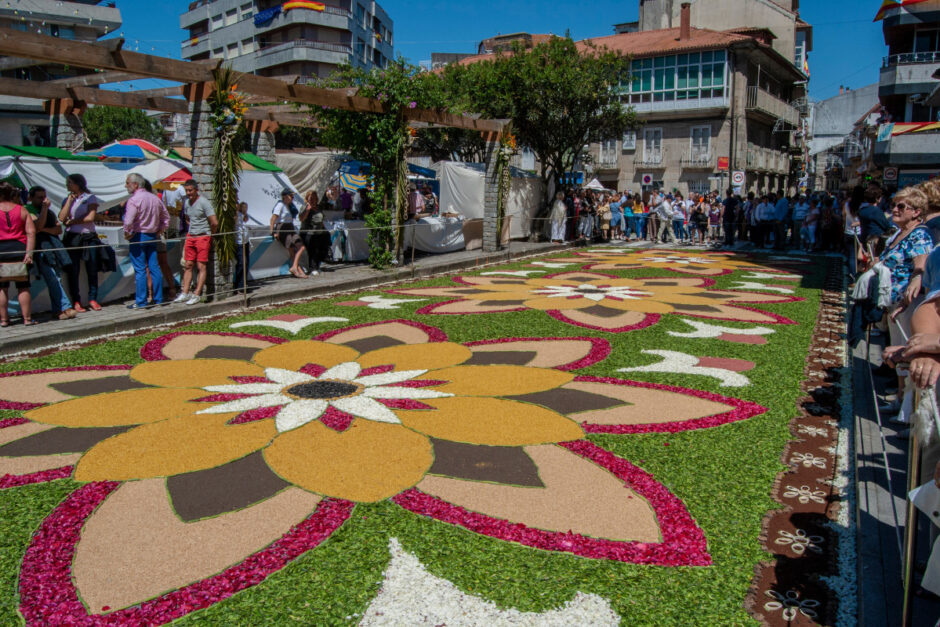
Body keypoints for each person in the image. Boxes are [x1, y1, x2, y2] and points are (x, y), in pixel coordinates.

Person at [25, 186, 74, 320]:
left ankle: (58, 309)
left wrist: (45, 229)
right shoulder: (28, 210)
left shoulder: (49, 212)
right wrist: (45, 211)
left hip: (53, 247)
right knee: (53, 277)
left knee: (56, 277)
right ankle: (64, 306)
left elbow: (58, 230)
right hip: (40, 248)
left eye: (44, 197)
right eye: (39, 197)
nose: (43, 200)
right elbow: (37, 227)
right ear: (31, 198)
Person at [123, 173, 169, 309]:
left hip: (138, 235)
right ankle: (159, 298)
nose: (126, 186)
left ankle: (141, 301)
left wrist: (127, 233)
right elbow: (166, 217)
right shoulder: (154, 198)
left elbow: (128, 220)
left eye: (127, 183)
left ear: (135, 184)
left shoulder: (134, 200)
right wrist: (160, 229)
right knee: (154, 267)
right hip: (152, 235)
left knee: (140, 270)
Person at [58, 173, 100, 312]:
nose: (67, 185)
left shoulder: (89, 198)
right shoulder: (67, 199)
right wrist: (69, 202)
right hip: (73, 237)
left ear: (78, 183)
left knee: (92, 268)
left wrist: (74, 221)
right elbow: (62, 218)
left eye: (70, 182)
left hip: (88, 236)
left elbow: (90, 217)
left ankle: (93, 298)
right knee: (73, 270)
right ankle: (76, 300)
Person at [174, 180, 218, 305]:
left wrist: (211, 235)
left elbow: (214, 221)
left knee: (201, 266)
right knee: (187, 265)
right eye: (186, 190)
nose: (188, 193)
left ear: (196, 190)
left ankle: (197, 293)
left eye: (190, 190)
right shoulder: (187, 203)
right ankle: (185, 292)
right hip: (191, 236)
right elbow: (188, 218)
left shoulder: (204, 202)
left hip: (202, 236)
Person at [0, 182, 36, 326]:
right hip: (20, 249)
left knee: (2, 287)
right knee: (23, 286)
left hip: (1, 249)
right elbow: (31, 232)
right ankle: (27, 319)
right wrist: (30, 253)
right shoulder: (22, 210)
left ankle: (4, 320)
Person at [270, 189, 306, 279]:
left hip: (290, 228)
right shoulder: (280, 205)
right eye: (291, 196)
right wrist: (273, 232)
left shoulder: (289, 206)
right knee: (295, 248)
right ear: (285, 196)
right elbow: (273, 219)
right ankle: (297, 269)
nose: (292, 198)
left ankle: (296, 268)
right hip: (283, 228)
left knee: (298, 247)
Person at [299, 190, 331, 275]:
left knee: (323, 244)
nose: (312, 200)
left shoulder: (319, 207)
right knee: (313, 248)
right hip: (308, 232)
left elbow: (321, 219)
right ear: (307, 199)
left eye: (314, 198)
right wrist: (307, 210)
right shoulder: (304, 207)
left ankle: (318, 265)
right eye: (310, 198)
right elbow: (301, 219)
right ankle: (312, 267)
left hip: (319, 231)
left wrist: (323, 228)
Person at [233, 201, 251, 290]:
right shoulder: (235, 215)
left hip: (245, 241)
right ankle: (239, 285)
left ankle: (244, 283)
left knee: (246, 263)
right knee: (242, 262)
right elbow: (234, 222)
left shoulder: (242, 215)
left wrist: (244, 213)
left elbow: (245, 221)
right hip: (239, 241)